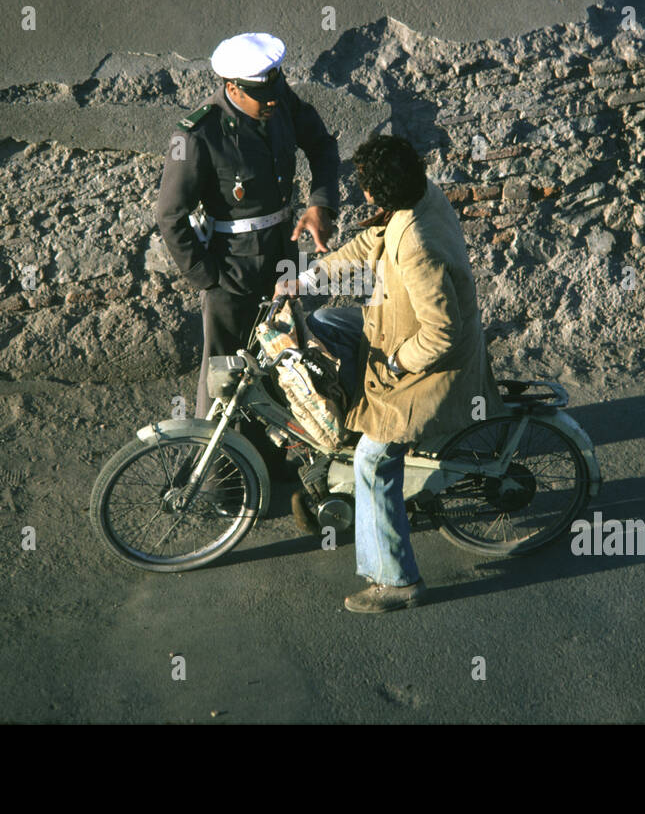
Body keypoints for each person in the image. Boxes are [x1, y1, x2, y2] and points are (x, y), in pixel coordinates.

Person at [278, 134, 504, 613]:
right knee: (321, 324)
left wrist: (398, 363)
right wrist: (306, 280)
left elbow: (441, 335)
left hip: (429, 362)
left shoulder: (417, 244)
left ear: (376, 194)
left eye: (363, 186)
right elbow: (366, 244)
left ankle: (398, 582)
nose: (362, 194)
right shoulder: (420, 194)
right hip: (392, 321)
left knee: (373, 461)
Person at [156, 32, 341, 490]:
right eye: (261, 95)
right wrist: (207, 278)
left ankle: (275, 461)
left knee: (283, 358)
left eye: (275, 90)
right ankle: (212, 477)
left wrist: (320, 204)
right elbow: (169, 213)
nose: (272, 103)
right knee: (222, 373)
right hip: (231, 268)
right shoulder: (197, 133)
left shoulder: (279, 101)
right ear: (233, 88)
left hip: (281, 255)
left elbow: (322, 145)